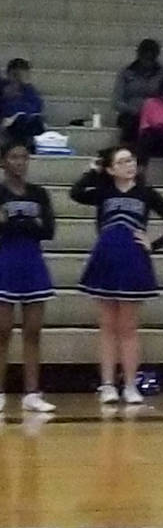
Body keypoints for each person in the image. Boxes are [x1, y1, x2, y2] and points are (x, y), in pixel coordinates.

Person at [71, 146, 163, 405]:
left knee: (129, 327)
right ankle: (108, 384)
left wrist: (153, 244)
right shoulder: (103, 192)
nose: (129, 165)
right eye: (122, 162)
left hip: (134, 261)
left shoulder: (146, 193)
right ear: (111, 169)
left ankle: (131, 385)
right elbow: (76, 193)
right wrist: (92, 171)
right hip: (106, 259)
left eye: (131, 160)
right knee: (108, 326)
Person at [0, 143, 56, 413]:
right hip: (5, 262)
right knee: (2, 331)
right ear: (3, 162)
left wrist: (15, 224)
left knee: (33, 332)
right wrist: (22, 225)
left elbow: (49, 230)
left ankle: (32, 393)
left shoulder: (39, 193)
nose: (20, 162)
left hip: (33, 264)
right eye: (14, 157)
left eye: (24, 157)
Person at [113, 40, 163, 146]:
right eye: (145, 57)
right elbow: (117, 101)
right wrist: (133, 110)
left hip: (155, 114)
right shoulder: (126, 72)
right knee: (131, 123)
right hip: (131, 113)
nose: (147, 61)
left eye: (151, 58)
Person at [1, 59, 45, 150]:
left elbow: (37, 106)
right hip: (7, 121)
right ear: (9, 74)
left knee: (34, 123)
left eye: (22, 75)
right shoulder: (2, 87)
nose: (19, 79)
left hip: (25, 121)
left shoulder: (29, 90)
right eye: (15, 75)